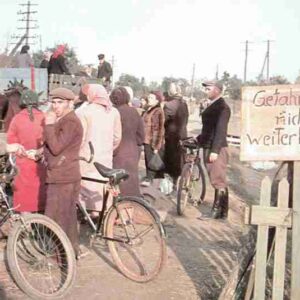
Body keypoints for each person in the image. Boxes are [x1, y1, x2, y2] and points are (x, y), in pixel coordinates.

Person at [44, 87, 83, 257]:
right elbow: (59, 146)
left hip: (63, 176)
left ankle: (59, 257)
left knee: (56, 218)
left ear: (69, 103)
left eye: (60, 102)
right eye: (53, 102)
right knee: (67, 219)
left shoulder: (70, 121)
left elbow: (56, 147)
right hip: (64, 174)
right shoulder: (67, 119)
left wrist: (49, 125)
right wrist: (39, 152)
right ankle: (70, 255)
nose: (55, 106)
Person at [77, 84, 121, 212]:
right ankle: (104, 212)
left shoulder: (83, 112)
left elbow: (80, 137)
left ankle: (88, 213)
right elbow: (117, 137)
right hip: (106, 155)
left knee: (87, 184)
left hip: (87, 155)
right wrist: (109, 148)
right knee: (103, 183)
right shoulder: (113, 112)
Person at [6, 89, 46, 212]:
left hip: (22, 163)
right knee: (40, 194)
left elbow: (11, 142)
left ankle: (24, 224)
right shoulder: (44, 117)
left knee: (23, 198)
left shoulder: (17, 119)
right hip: (41, 162)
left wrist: (22, 151)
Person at [196, 80, 231, 219]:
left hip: (217, 147)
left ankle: (216, 212)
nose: (206, 91)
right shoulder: (213, 105)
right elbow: (208, 129)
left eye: (209, 89)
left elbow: (220, 131)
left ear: (218, 90)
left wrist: (215, 150)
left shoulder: (222, 107)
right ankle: (223, 212)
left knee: (217, 179)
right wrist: (199, 139)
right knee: (218, 178)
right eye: (205, 89)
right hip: (209, 145)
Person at [110, 87, 145, 196]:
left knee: (118, 184)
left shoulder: (113, 113)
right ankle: (133, 206)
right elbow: (141, 136)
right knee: (131, 183)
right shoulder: (134, 112)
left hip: (117, 152)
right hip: (132, 151)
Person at [164, 83, 189, 189]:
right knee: (181, 157)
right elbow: (186, 120)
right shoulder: (184, 104)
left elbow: (164, 122)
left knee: (171, 158)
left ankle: (172, 181)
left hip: (172, 136)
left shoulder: (169, 105)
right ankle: (181, 179)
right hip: (183, 135)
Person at [141, 91, 165, 187]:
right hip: (147, 140)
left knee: (152, 162)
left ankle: (150, 179)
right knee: (148, 160)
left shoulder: (158, 111)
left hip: (152, 141)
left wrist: (156, 146)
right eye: (149, 97)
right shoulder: (148, 109)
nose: (148, 99)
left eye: (151, 98)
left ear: (157, 100)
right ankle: (149, 178)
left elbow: (158, 129)